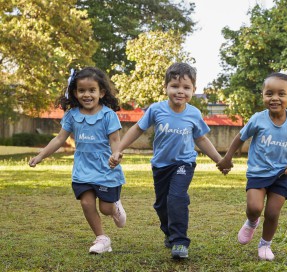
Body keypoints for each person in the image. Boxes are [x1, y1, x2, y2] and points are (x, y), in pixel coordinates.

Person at [109, 62, 227, 259]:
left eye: (186, 87)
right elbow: (137, 129)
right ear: (166, 88)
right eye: (175, 86)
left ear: (193, 90)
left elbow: (201, 139)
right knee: (162, 205)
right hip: (161, 166)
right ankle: (170, 233)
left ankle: (180, 242)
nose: (180, 91)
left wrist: (219, 160)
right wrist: (119, 149)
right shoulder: (156, 110)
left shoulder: (194, 114)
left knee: (176, 198)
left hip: (184, 163)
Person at [217, 69, 287, 261]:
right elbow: (240, 137)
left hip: (282, 175)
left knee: (272, 213)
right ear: (263, 95)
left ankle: (265, 245)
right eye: (269, 93)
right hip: (258, 172)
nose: (274, 98)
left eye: (281, 94)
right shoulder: (258, 119)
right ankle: (252, 222)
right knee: (254, 207)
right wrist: (227, 158)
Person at [29, 67, 126, 254]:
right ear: (75, 92)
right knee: (86, 203)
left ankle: (115, 207)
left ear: (101, 92)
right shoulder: (72, 115)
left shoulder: (108, 115)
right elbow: (59, 139)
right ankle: (102, 238)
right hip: (83, 169)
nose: (87, 94)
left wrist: (116, 155)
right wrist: (41, 156)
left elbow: (115, 140)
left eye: (92, 90)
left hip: (106, 168)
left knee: (105, 208)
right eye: (82, 90)